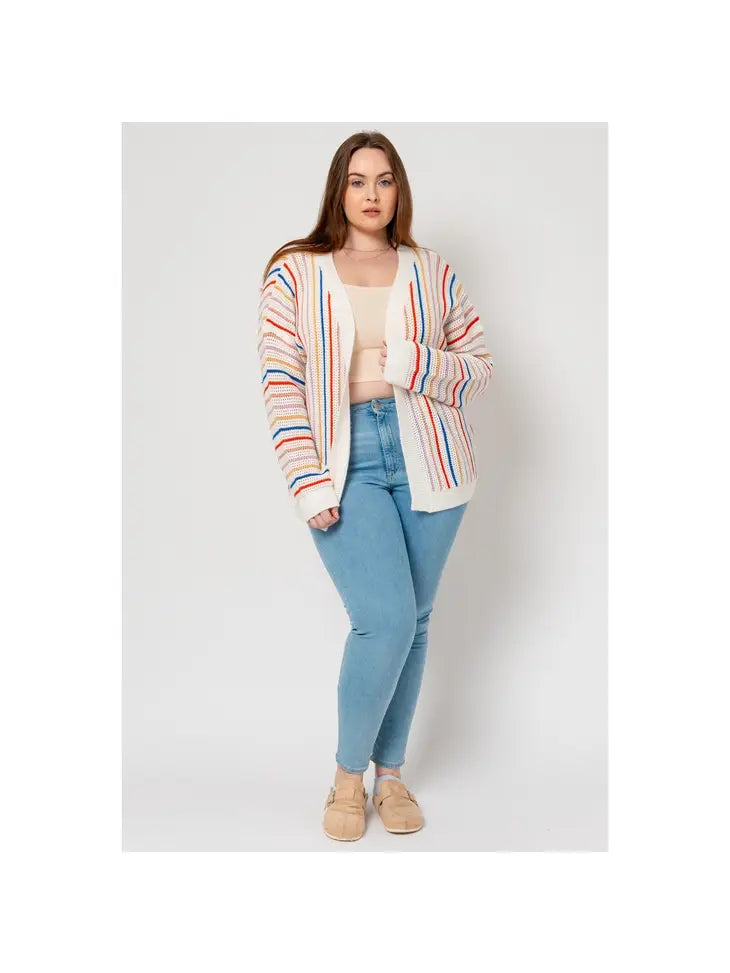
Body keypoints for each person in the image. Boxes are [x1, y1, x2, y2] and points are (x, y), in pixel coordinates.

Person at [256, 131, 494, 840]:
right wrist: (306, 479)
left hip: (432, 456)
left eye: (384, 180)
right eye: (357, 180)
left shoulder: (432, 271)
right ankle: (346, 777)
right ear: (339, 189)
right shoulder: (295, 273)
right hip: (344, 458)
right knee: (383, 619)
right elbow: (281, 383)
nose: (371, 194)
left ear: (399, 191)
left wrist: (413, 361)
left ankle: (391, 776)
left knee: (414, 622)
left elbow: (478, 368)